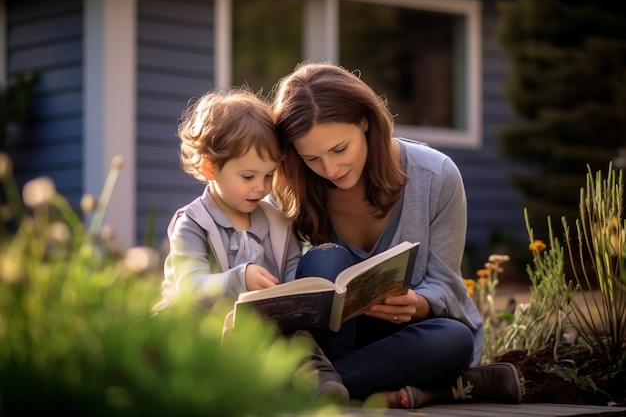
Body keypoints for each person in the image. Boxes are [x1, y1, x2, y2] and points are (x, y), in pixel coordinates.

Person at [270, 62, 522, 408]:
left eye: (340, 149)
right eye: (312, 157)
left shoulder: (436, 177)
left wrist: (418, 304)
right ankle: (390, 389)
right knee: (326, 260)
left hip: (405, 340)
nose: (330, 170)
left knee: (454, 339)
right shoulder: (293, 187)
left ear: (365, 122)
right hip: (333, 344)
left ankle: (315, 389)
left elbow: (445, 285)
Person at [151, 88, 349, 402]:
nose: (261, 187)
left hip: (261, 324)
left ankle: (321, 382)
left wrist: (305, 293)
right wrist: (238, 279)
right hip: (201, 321)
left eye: (269, 175)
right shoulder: (193, 222)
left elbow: (292, 270)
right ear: (210, 168)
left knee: (296, 339)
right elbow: (190, 287)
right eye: (248, 176)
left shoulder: (277, 221)